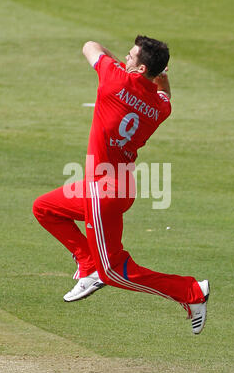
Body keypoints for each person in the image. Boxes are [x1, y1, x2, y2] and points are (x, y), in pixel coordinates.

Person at [33, 35, 210, 334]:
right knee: (45, 209)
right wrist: (157, 76)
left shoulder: (113, 79)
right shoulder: (159, 108)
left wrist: (125, 67)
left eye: (130, 57)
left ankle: (191, 292)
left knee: (114, 272)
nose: (125, 59)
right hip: (117, 188)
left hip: (103, 192)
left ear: (140, 69)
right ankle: (88, 265)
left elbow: (90, 45)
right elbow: (165, 95)